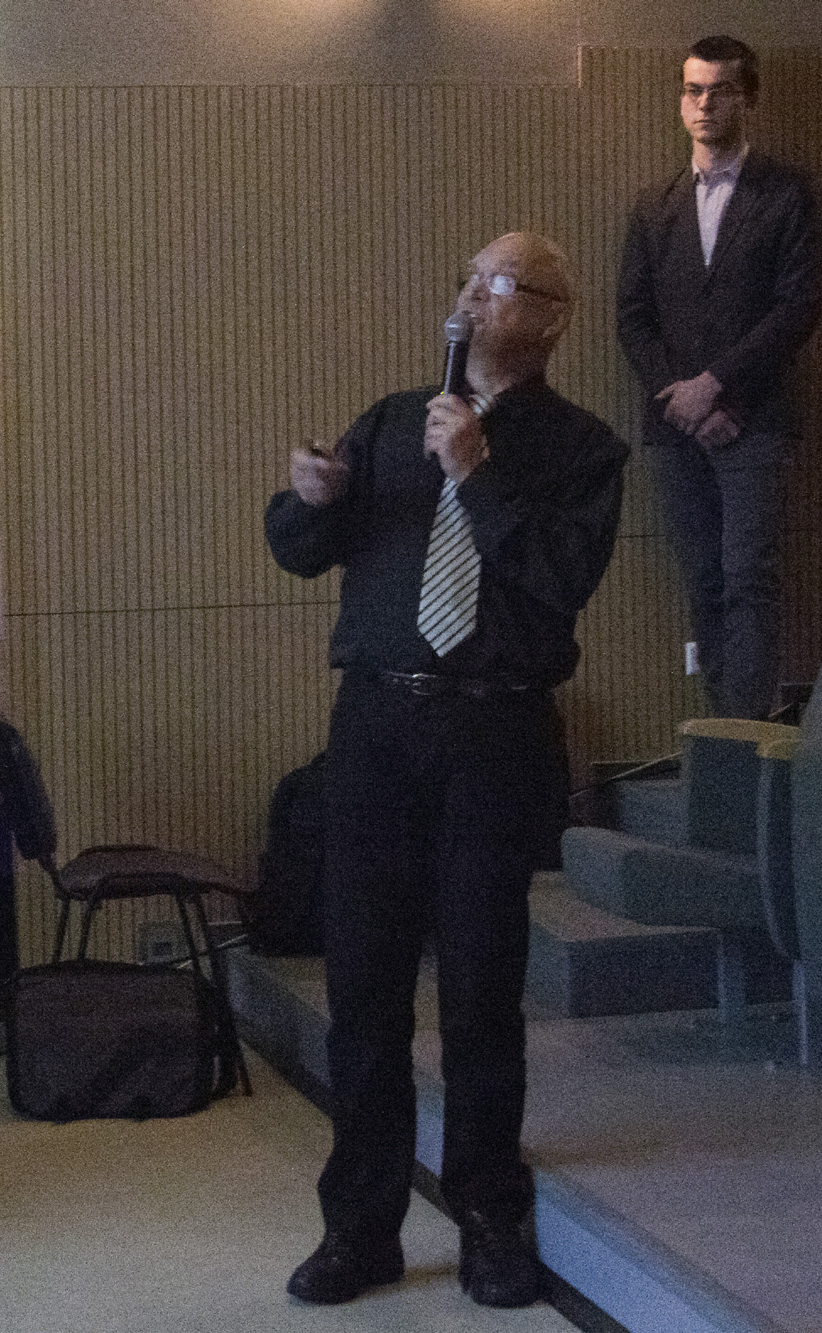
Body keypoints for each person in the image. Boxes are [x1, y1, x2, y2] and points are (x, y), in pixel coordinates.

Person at [264, 232, 627, 1308]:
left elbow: (559, 578)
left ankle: (488, 1215)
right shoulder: (392, 421)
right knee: (363, 986)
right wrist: (307, 496)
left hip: (493, 732)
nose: (469, 291)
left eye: (496, 281)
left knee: (479, 987)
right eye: (468, 275)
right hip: (377, 726)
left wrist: (476, 473)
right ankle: (359, 1226)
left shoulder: (582, 450)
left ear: (550, 316)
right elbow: (298, 550)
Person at [616, 35, 822, 720]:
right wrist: (684, 400)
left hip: (755, 422)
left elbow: (797, 307)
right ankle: (719, 738)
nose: (704, 103)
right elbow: (633, 316)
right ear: (681, 101)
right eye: (693, 90)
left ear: (748, 98)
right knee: (704, 582)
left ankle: (749, 737)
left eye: (721, 90)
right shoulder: (653, 204)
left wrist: (717, 387)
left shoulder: (788, 194)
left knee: (748, 579)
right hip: (675, 429)